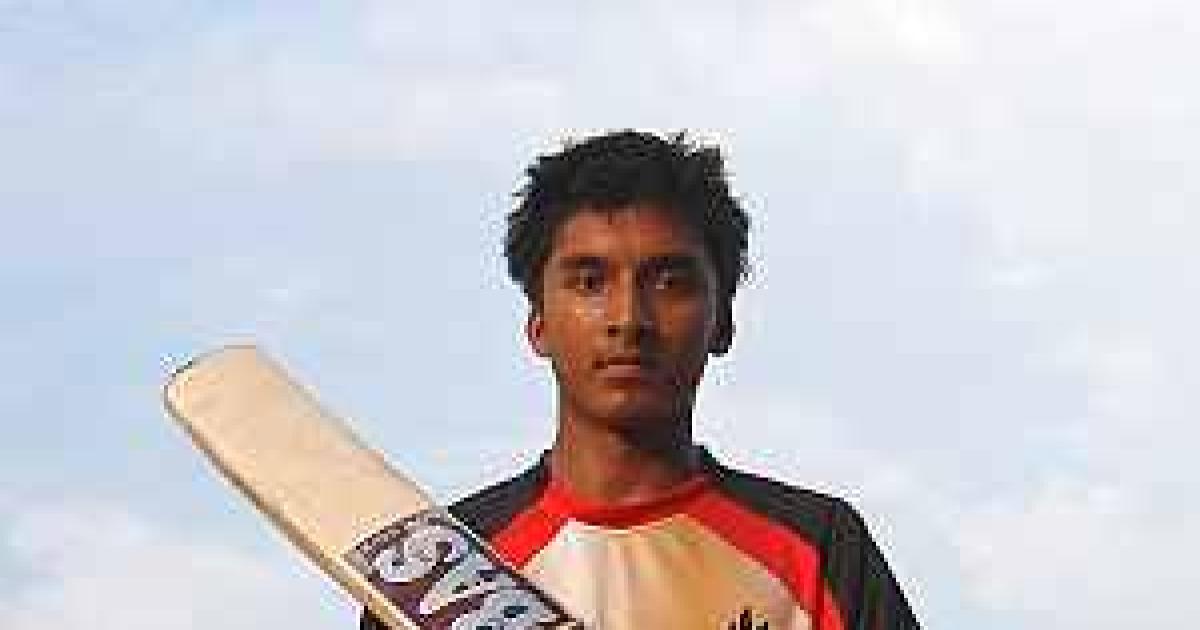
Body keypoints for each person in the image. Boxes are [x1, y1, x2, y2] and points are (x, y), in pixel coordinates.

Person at [362, 130, 920, 629]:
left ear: (723, 322)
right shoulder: (441, 579)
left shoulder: (820, 553)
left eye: (670, 283)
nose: (629, 319)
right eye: (590, 282)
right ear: (538, 324)